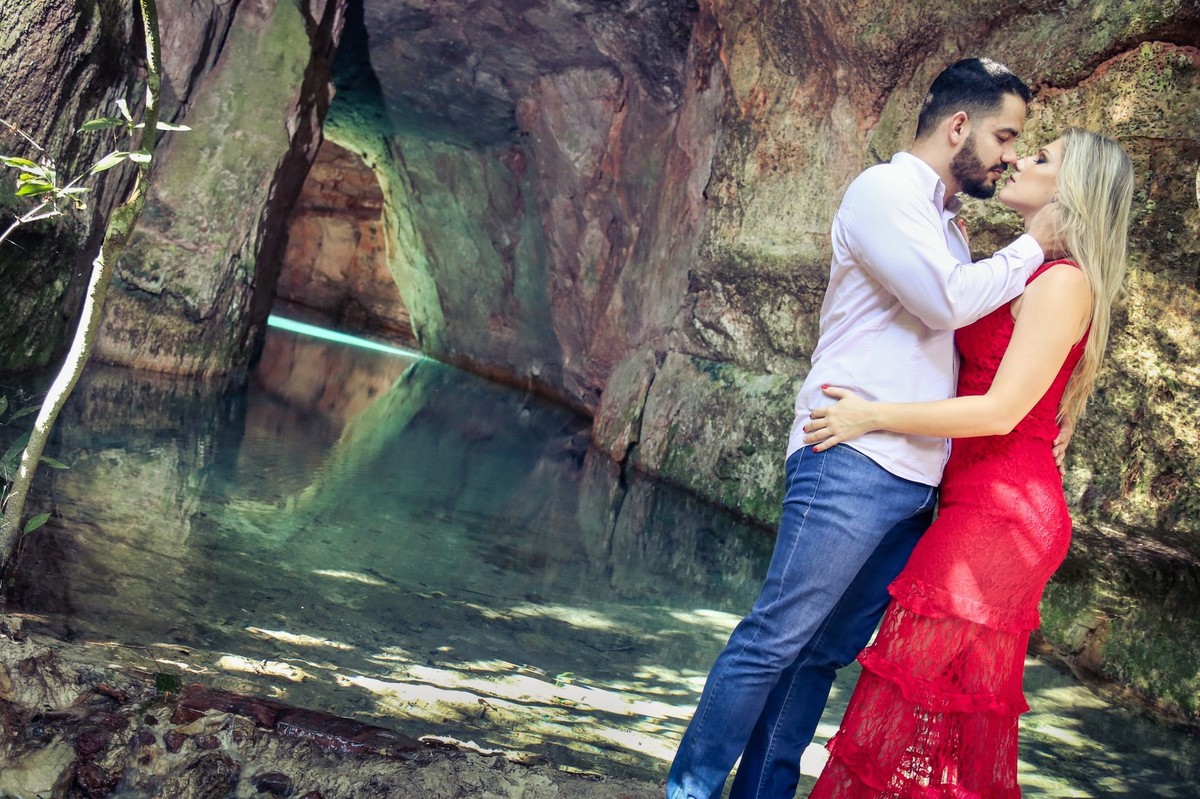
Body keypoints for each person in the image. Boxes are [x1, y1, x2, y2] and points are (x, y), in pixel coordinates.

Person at [667, 58, 1063, 799]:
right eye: (1005, 135)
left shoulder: (947, 224)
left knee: (820, 654)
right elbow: (947, 303)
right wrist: (1041, 241)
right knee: (774, 636)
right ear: (957, 127)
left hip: (915, 480)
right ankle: (688, 790)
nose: (1010, 154)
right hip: (851, 457)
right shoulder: (882, 192)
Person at [800, 127, 1133, 798]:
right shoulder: (1028, 269)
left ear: (1070, 192)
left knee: (899, 714)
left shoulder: (1063, 282)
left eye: (1040, 158)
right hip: (980, 504)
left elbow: (998, 412)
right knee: (945, 731)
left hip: (998, 519)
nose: (1017, 159)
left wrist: (871, 414)